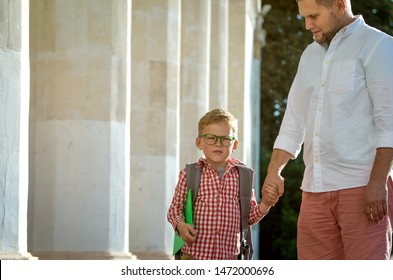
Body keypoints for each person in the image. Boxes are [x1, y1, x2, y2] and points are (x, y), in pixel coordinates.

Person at [262, 0, 393, 260]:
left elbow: (388, 122)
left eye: (313, 16)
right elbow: (294, 120)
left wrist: (378, 182)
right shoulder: (309, 55)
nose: (308, 25)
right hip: (314, 189)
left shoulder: (379, 46)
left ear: (339, 6)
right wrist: (274, 171)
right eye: (304, 17)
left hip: (362, 187)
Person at [167, 108, 279, 260]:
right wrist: (180, 225)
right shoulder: (189, 174)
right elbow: (174, 209)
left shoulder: (243, 176)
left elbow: (249, 217)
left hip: (229, 258)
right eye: (211, 138)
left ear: (235, 144)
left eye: (225, 139)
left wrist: (266, 203)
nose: (218, 144)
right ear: (199, 142)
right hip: (193, 256)